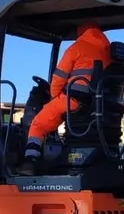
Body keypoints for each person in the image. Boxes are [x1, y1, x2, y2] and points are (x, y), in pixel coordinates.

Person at [19, 21, 111, 174]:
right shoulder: (110, 52)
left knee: (38, 125)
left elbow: (58, 79)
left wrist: (54, 98)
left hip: (74, 101)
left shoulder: (76, 48)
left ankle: (30, 160)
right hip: (101, 105)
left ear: (81, 31)